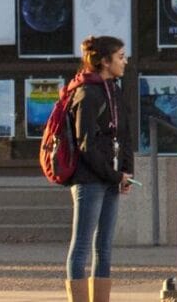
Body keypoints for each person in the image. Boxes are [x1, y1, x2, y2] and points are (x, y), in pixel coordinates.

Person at [61, 35, 134, 302]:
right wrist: (115, 174)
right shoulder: (87, 93)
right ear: (105, 61)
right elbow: (86, 145)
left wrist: (126, 172)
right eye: (120, 57)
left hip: (111, 177)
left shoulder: (113, 89)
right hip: (89, 179)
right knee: (81, 246)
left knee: (104, 246)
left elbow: (124, 134)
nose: (124, 62)